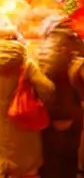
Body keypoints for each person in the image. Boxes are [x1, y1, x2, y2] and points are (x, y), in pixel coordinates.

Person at [0, 28, 54, 178]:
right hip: (23, 127)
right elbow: (48, 89)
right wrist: (34, 98)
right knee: (23, 168)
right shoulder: (27, 65)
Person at [39, 16, 84, 178]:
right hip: (73, 109)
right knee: (68, 159)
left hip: (58, 110)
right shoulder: (75, 40)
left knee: (52, 161)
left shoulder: (52, 43)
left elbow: (49, 78)